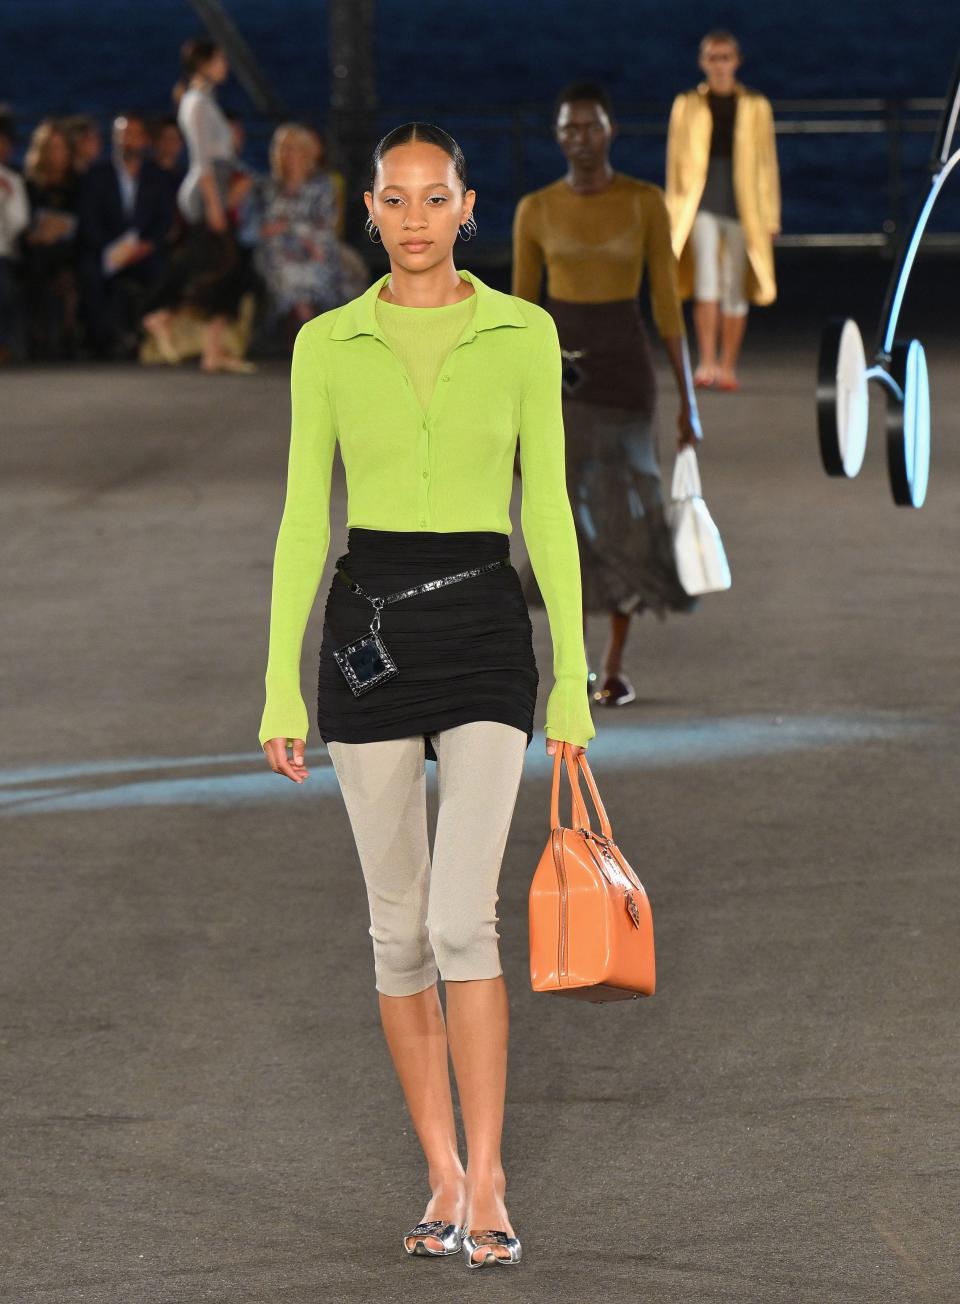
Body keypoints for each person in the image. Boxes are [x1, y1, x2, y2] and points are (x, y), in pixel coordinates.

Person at [258, 121, 594, 1268]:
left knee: (462, 920)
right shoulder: (326, 344)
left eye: (433, 195)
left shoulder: (522, 332)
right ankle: (441, 1172)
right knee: (398, 933)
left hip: (485, 628)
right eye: (393, 198)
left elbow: (546, 506)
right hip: (368, 632)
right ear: (368, 211)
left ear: (467, 207)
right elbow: (309, 517)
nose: (413, 216)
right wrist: (275, 685)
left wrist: (575, 687)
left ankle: (491, 1178)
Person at [512, 80, 702, 709]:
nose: (580, 139)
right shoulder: (535, 209)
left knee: (628, 522)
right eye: (569, 128)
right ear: (557, 135)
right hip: (558, 382)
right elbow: (519, 314)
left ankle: (614, 664)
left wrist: (688, 402)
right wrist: (509, 405)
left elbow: (667, 304)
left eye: (591, 126)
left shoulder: (645, 202)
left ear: (611, 131)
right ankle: (575, 664)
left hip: (627, 376)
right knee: (565, 524)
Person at [665, 28, 781, 391]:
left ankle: (729, 365)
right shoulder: (685, 104)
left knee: (735, 287)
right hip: (700, 204)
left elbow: (767, 163)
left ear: (736, 62)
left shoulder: (756, 106)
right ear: (703, 62)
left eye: (725, 57)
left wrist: (771, 216)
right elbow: (675, 161)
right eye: (713, 58)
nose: (719, 65)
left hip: (743, 205)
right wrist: (672, 212)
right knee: (706, 285)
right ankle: (707, 362)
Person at [142, 36, 255, 373]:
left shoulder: (204, 100)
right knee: (219, 269)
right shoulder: (196, 103)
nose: (226, 66)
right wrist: (215, 205)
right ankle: (163, 317)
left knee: (218, 271)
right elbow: (202, 160)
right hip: (208, 193)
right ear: (204, 64)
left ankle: (211, 349)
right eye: (221, 60)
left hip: (218, 189)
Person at [241, 122, 351, 344]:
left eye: (292, 147)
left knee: (319, 264)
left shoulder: (323, 185)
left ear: (307, 151)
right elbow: (251, 230)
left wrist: (287, 227)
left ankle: (308, 328)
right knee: (286, 266)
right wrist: (293, 230)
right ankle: (306, 325)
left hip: (314, 248)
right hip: (276, 250)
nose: (286, 153)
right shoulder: (265, 187)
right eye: (281, 147)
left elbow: (326, 224)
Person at [77, 112, 174, 357]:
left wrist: (147, 245)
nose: (128, 140)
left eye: (134, 134)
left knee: (163, 270)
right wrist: (112, 248)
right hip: (105, 249)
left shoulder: (157, 176)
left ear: (145, 140)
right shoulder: (96, 176)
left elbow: (164, 219)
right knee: (89, 273)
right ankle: (103, 342)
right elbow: (88, 221)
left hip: (144, 250)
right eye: (123, 134)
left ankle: (145, 338)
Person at [21, 119, 80, 359]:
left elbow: (81, 220)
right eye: (51, 147)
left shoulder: (77, 184)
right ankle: (42, 338)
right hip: (36, 250)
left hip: (69, 250)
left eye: (61, 147)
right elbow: (23, 224)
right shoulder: (29, 185)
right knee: (39, 263)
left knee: (68, 271)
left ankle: (64, 338)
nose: (57, 154)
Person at [0, 122, 29, 362]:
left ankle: (10, 348)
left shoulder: (13, 181)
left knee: (5, 287)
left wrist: (7, 196)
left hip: (4, 253)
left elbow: (18, 224)